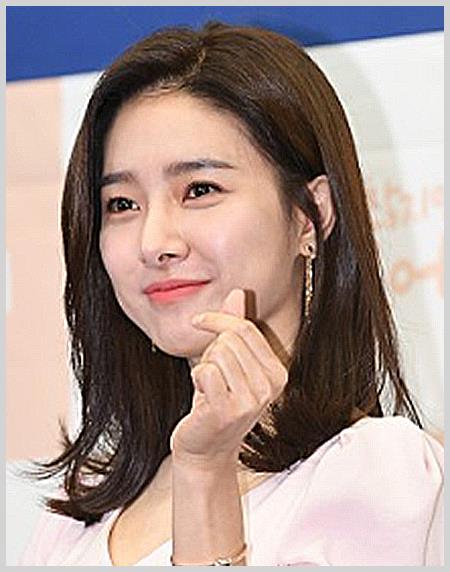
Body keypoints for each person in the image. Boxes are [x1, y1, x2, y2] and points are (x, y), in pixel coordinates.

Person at [19, 21, 443, 566]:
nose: (154, 243)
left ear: (312, 215)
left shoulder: (379, 475)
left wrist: (206, 474)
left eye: (200, 190)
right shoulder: (82, 508)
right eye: (122, 204)